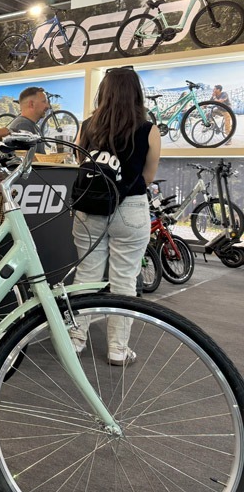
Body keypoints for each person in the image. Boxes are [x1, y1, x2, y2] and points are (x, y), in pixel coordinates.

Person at [70, 66, 161, 365]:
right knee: (124, 280)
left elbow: (81, 162)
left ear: (103, 91)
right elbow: (147, 176)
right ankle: (118, 350)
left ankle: (75, 341)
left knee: (87, 276)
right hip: (130, 207)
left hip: (89, 207)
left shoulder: (86, 126)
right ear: (136, 91)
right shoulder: (149, 129)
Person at [7, 86, 49, 153]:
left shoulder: (32, 126)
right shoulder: (22, 126)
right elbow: (27, 161)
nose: (48, 106)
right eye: (44, 102)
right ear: (31, 104)